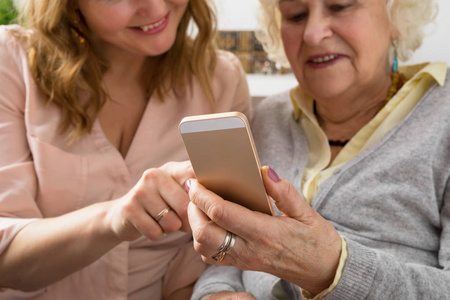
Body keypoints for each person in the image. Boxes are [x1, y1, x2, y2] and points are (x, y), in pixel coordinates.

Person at [186, 0, 450, 299]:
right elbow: (232, 249)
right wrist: (215, 292)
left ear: (396, 16)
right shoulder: (269, 117)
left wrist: (332, 268)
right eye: (295, 15)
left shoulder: (443, 116)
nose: (312, 34)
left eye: (340, 6)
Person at [0, 0, 252, 299]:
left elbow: (201, 257)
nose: (156, 8)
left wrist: (214, 294)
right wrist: (115, 218)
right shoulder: (11, 61)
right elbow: (6, 259)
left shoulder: (222, 79)